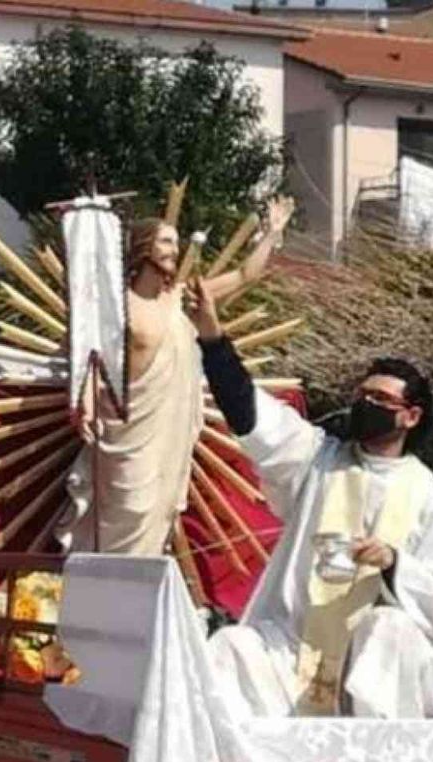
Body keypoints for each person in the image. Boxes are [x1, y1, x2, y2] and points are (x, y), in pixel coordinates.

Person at [186, 280, 433, 719]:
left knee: (386, 628)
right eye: (362, 396)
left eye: (380, 399)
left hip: (390, 661)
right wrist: (212, 338)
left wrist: (393, 562)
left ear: (412, 416)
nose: (366, 404)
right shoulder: (317, 460)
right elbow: (250, 415)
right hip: (300, 647)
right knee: (233, 646)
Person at [58, 197, 295, 555]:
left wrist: (271, 234)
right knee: (128, 509)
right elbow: (92, 358)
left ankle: (138, 598)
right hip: (126, 432)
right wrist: (86, 404)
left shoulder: (181, 298)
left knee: (156, 516)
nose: (176, 248)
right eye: (166, 241)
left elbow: (247, 275)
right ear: (142, 247)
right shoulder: (117, 305)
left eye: (176, 240)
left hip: (170, 434)